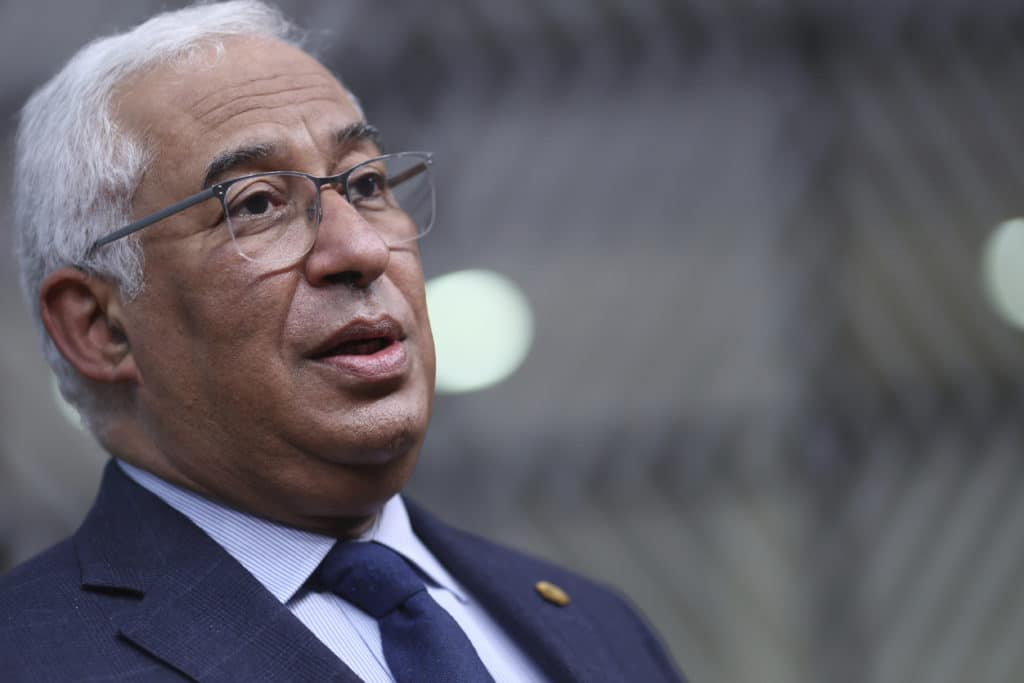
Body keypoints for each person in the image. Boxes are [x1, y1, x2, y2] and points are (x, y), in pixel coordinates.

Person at [0, 2, 684, 681]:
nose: (361, 248)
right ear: (100, 327)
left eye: (367, 183)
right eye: (256, 203)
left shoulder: (600, 627)